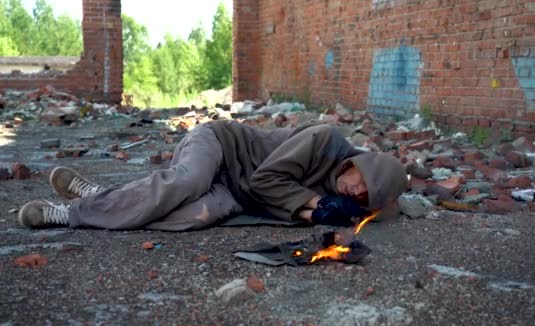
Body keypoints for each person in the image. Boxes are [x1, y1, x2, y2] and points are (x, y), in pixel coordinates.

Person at [17, 120, 408, 230]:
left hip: (239, 194)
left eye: (362, 197)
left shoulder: (344, 195)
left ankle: (101, 194)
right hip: (223, 146)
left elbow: (275, 205)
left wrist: (315, 216)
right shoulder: (326, 140)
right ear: (364, 162)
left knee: (186, 217)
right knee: (188, 183)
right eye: (362, 182)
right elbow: (267, 181)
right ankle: (70, 212)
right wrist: (316, 202)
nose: (354, 191)